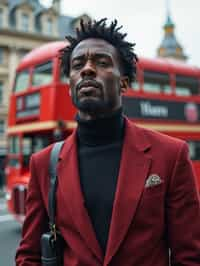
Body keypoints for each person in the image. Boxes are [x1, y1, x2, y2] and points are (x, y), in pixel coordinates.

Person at [16, 18, 200, 266]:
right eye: (77, 64)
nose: (87, 69)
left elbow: (190, 256)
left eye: (102, 62)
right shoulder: (43, 164)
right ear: (70, 86)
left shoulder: (171, 154)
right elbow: (29, 256)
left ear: (124, 82)